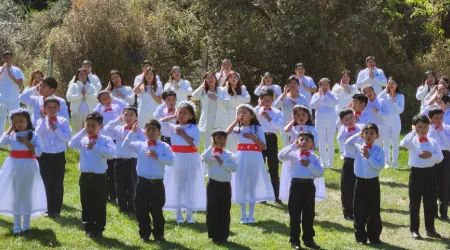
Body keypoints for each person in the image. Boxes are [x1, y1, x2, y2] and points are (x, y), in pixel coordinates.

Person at [122, 119, 174, 243]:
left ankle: (158, 235)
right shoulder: (140, 145)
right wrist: (132, 132)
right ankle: (144, 234)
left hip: (157, 183)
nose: (151, 132)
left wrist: (158, 157)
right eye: (148, 129)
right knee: (141, 209)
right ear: (144, 132)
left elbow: (171, 161)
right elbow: (124, 146)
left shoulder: (164, 146)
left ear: (159, 133)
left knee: (157, 210)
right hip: (143, 182)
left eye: (154, 130)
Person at [68, 112, 116, 238]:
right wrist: (82, 132)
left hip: (99, 177)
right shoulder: (83, 140)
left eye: (93, 126)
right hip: (85, 176)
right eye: (87, 125)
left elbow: (112, 154)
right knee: (86, 202)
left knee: (99, 203)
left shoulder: (105, 140)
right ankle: (88, 227)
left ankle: (99, 228)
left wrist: (96, 147)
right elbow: (71, 144)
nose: (89, 128)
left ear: (100, 126)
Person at [226, 104, 275, 224]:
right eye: (239, 113)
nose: (241, 115)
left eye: (244, 113)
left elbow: (263, 146)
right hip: (241, 156)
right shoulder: (238, 129)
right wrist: (235, 121)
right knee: (241, 182)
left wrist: (253, 138)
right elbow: (226, 133)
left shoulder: (257, 129)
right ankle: (243, 214)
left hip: (254, 156)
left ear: (251, 115)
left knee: (252, 184)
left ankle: (251, 215)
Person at [0, 108, 46, 234]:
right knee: (16, 194)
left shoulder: (33, 135)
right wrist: (9, 130)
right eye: (15, 122)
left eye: (21, 121)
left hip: (29, 166)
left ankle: (26, 223)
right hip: (14, 166)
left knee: (27, 194)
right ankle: (16, 225)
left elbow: (39, 152)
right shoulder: (12, 135)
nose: (18, 124)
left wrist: (27, 143)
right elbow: (2, 143)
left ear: (27, 121)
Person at [159, 101, 206, 223]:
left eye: (185, 113)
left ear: (190, 116)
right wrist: (173, 116)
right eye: (180, 112)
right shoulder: (173, 127)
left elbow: (195, 143)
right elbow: (161, 122)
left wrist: (183, 134)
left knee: (189, 184)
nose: (181, 115)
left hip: (190, 157)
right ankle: (178, 212)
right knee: (178, 184)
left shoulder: (193, 128)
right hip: (177, 157)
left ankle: (189, 213)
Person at [400, 114, 443, 240]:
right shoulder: (412, 141)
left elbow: (440, 158)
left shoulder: (433, 142)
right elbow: (403, 143)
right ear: (414, 128)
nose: (423, 130)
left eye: (425, 127)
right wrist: (413, 132)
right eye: (419, 127)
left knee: (430, 202)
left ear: (429, 127)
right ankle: (414, 229)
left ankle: (430, 229)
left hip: (430, 173)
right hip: (416, 173)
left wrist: (430, 155)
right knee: (415, 202)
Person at [278, 130, 324, 250]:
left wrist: (309, 165)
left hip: (309, 186)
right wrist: (293, 145)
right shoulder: (293, 155)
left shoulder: (314, 157)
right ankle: (294, 240)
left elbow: (320, 173)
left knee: (309, 214)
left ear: (312, 143)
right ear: (298, 141)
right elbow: (281, 156)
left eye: (307, 140)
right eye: (301, 139)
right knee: (295, 214)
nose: (304, 142)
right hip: (296, 186)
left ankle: (309, 239)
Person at [345, 123, 385, 245]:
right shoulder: (358, 147)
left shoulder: (379, 150)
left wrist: (369, 157)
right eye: (366, 133)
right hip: (360, 182)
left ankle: (374, 237)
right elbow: (347, 144)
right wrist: (358, 134)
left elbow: (379, 166)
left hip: (372, 182)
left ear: (377, 136)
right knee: (359, 210)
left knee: (374, 210)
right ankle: (360, 238)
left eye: (372, 133)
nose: (369, 135)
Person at [103, 107, 146, 214]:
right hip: (119, 160)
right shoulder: (119, 129)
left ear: (136, 117)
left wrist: (130, 136)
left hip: (132, 161)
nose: (128, 117)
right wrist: (117, 120)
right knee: (119, 184)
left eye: (131, 115)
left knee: (132, 185)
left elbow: (143, 146)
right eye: (126, 114)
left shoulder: (141, 132)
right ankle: (122, 207)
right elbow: (105, 130)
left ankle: (132, 207)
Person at [35, 97, 72, 218]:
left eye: (54, 107)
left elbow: (67, 138)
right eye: (49, 107)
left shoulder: (63, 122)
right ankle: (47, 208)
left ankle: (56, 209)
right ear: (44, 109)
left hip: (58, 156)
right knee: (46, 182)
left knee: (57, 182)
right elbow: (38, 136)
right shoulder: (41, 122)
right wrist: (45, 121)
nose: (52, 110)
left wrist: (55, 128)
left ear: (59, 108)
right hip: (45, 156)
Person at [281, 105, 324, 203]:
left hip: (306, 154)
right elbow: (286, 130)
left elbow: (316, 143)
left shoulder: (311, 128)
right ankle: (291, 195)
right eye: (298, 115)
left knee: (305, 171)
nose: (300, 117)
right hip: (293, 154)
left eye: (303, 115)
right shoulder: (293, 128)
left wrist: (311, 146)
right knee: (291, 174)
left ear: (308, 117)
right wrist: (292, 121)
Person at [201, 129, 237, 244]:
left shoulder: (229, 155)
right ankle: (214, 234)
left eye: (223, 139)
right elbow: (204, 158)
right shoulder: (210, 153)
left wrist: (222, 163)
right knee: (212, 209)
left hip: (225, 186)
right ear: (213, 139)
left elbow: (234, 167)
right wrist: (211, 147)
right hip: (213, 184)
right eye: (218, 138)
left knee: (224, 210)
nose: (221, 141)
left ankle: (223, 235)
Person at [93, 91, 128, 204]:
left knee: (113, 168)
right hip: (103, 140)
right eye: (104, 99)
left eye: (108, 98)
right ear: (100, 102)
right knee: (104, 167)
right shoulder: (98, 111)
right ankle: (103, 192)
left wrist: (114, 98)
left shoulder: (118, 107)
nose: (107, 101)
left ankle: (113, 194)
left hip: (116, 140)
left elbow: (125, 106)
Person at [255, 89, 284, 204]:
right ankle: (262, 196)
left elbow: (280, 127)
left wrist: (268, 118)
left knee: (273, 166)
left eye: (270, 100)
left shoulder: (276, 112)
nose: (267, 102)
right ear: (261, 100)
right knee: (261, 167)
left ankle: (277, 195)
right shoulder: (256, 111)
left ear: (273, 100)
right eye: (265, 100)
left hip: (271, 138)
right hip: (260, 138)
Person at [192, 71, 229, 149]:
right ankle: (207, 161)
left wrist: (216, 99)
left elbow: (227, 101)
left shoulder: (222, 90)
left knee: (220, 144)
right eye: (207, 78)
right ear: (205, 80)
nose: (210, 79)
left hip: (220, 120)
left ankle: (219, 160)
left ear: (215, 79)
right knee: (208, 145)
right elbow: (194, 95)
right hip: (207, 121)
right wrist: (202, 86)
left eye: (212, 77)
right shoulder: (203, 91)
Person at [426, 108, 450, 221]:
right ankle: (433, 212)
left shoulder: (447, 128)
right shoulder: (428, 130)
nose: (439, 120)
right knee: (431, 185)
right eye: (436, 118)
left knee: (444, 185)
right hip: (432, 157)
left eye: (441, 117)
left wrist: (441, 131)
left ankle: (444, 213)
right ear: (430, 119)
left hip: (445, 156)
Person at [337, 108, 360, 221]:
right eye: (346, 119)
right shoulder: (343, 131)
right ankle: (348, 212)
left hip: (360, 159)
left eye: (351, 118)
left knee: (359, 186)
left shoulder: (361, 128)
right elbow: (342, 141)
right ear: (342, 121)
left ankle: (359, 210)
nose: (350, 121)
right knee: (347, 186)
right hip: (349, 159)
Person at [310, 78, 338, 168]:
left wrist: (326, 96)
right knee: (321, 142)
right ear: (320, 86)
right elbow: (312, 106)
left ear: (329, 86)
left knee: (330, 142)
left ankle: (330, 163)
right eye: (323, 85)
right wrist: (321, 96)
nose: (325, 87)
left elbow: (335, 102)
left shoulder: (333, 94)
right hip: (320, 121)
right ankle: (323, 162)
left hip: (331, 121)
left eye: (326, 85)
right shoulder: (316, 95)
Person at [273, 75, 308, 145]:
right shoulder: (284, 96)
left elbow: (307, 111)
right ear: (287, 85)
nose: (292, 85)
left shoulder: (302, 98)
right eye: (290, 83)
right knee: (286, 146)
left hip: (298, 125)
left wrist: (296, 106)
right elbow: (275, 107)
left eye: (294, 83)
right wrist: (284, 94)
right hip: (285, 125)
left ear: (298, 85)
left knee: (298, 145)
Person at [378, 77, 404, 168]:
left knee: (395, 142)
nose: (391, 85)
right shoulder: (385, 95)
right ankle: (387, 162)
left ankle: (395, 162)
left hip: (395, 121)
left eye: (393, 83)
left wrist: (394, 102)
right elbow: (377, 99)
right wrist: (385, 90)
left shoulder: (400, 96)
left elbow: (400, 110)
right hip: (385, 121)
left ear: (397, 85)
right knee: (386, 142)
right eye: (389, 83)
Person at [222, 71, 251, 152]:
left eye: (235, 77)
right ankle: (230, 154)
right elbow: (225, 101)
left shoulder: (243, 88)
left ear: (238, 79)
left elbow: (248, 99)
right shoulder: (224, 89)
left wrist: (236, 96)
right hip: (228, 114)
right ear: (228, 79)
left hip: (241, 114)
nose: (233, 79)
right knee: (230, 135)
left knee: (240, 133)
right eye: (231, 77)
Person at [66, 68, 99, 133]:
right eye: (81, 74)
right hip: (77, 114)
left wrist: (86, 95)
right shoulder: (73, 85)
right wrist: (81, 95)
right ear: (77, 76)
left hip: (89, 113)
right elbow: (68, 97)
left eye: (84, 74)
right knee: (77, 132)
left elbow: (96, 96)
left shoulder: (91, 86)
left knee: (89, 132)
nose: (83, 76)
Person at [0, 51, 24, 138]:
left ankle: (13, 140)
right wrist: (2, 70)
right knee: (0, 120)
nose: (8, 60)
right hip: (1, 99)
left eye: (9, 58)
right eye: (6, 58)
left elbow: (21, 83)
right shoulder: (0, 69)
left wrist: (10, 75)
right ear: (2, 59)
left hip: (13, 99)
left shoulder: (17, 70)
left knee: (14, 119)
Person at [361, 85, 388, 152]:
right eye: (365, 92)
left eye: (369, 90)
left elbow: (387, 115)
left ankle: (379, 161)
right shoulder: (364, 104)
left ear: (373, 91)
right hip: (368, 129)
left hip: (380, 128)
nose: (368, 93)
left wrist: (377, 111)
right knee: (368, 148)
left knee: (377, 148)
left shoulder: (381, 101)